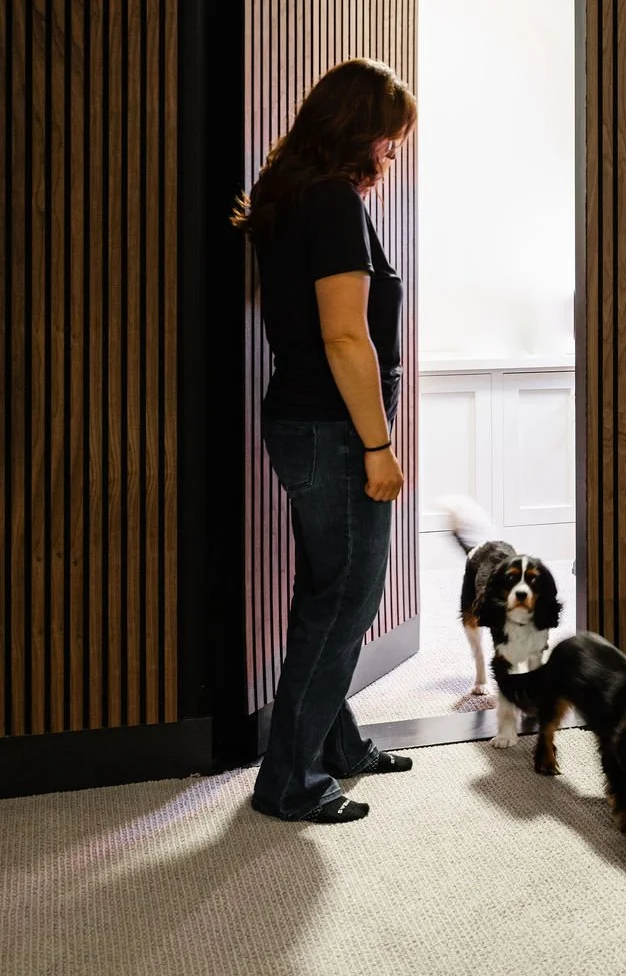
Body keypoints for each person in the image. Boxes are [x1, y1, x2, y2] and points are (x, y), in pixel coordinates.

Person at [231, 57, 417, 824]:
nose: (391, 155)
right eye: (387, 139)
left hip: (307, 423)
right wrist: (378, 445)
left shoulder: (293, 198)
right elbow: (345, 337)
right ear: (357, 132)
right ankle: (289, 781)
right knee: (343, 603)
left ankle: (334, 743)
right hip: (336, 431)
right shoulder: (333, 205)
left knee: (326, 592)